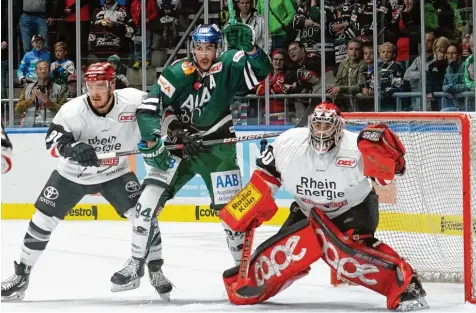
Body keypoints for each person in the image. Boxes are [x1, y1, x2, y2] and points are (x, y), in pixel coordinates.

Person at [110, 23, 272, 299]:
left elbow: (262, 71)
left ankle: (242, 272)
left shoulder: (229, 64)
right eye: (199, 47)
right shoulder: (177, 72)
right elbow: (151, 107)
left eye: (209, 48)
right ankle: (136, 263)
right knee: (147, 204)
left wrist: (253, 50)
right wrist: (165, 135)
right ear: (192, 48)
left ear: (217, 48)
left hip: (218, 152)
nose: (204, 54)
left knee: (233, 215)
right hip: (178, 149)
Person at [220, 102, 428, 312]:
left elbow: (385, 179)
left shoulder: (356, 147)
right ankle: (245, 281)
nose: (321, 131)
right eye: (317, 125)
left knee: (348, 254)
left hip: (352, 211)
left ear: (339, 127)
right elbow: (265, 177)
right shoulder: (289, 143)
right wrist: (246, 206)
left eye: (326, 126)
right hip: (307, 209)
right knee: (279, 255)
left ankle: (408, 285)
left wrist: (389, 158)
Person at [0, 62, 155, 302]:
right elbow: (51, 143)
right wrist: (71, 148)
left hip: (115, 173)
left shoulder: (134, 99)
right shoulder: (72, 110)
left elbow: (161, 106)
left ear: (112, 85)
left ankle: (154, 269)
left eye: (101, 85)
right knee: (41, 220)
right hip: (72, 175)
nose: (94, 92)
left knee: (143, 215)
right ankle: (21, 275)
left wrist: (169, 130)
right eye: (90, 85)